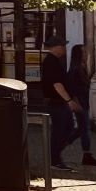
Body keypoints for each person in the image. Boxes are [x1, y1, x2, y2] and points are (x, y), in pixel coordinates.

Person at [40, 35, 79, 172]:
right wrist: (69, 101)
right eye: (62, 46)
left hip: (59, 102)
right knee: (61, 130)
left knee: (67, 129)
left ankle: (55, 157)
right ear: (56, 47)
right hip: (57, 102)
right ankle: (54, 159)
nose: (64, 49)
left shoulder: (55, 61)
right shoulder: (51, 62)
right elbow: (57, 84)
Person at [67, 44, 96, 167]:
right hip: (80, 102)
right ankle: (86, 154)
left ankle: (66, 140)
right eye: (84, 52)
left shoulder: (81, 68)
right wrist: (75, 101)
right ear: (79, 55)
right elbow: (71, 87)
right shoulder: (75, 69)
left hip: (84, 101)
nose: (86, 54)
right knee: (85, 128)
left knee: (83, 127)